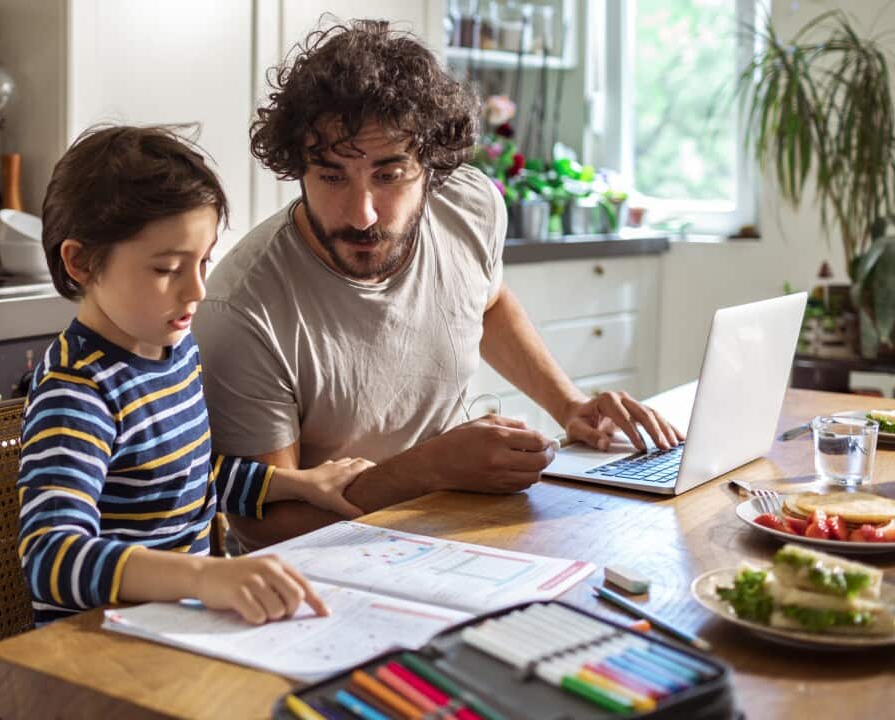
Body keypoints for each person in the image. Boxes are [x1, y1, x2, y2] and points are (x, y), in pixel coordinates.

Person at [193, 21, 683, 550]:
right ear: (297, 168)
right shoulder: (242, 309)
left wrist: (569, 405)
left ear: (432, 166)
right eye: (332, 176)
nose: (361, 215)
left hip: (456, 525)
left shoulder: (469, 203)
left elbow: (487, 301)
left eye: (389, 175)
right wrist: (428, 470)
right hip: (324, 564)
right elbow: (264, 526)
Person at [18, 125, 373, 627]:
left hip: (178, 624)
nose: (198, 290)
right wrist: (201, 576)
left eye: (204, 261)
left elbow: (188, 478)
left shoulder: (176, 350)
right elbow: (50, 559)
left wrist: (295, 485)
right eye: (167, 269)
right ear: (80, 262)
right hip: (98, 646)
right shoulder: (79, 392)